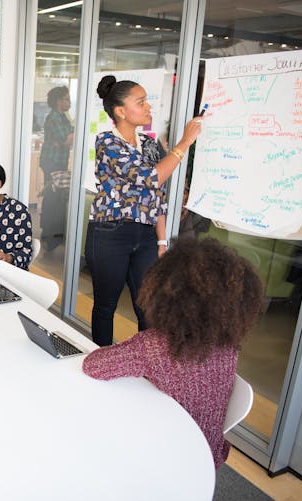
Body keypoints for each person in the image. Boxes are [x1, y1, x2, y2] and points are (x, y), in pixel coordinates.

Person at [82, 237, 263, 469]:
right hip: (208, 456)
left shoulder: (154, 345)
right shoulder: (228, 347)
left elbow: (93, 365)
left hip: (165, 459)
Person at [85, 75, 203, 346]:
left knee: (148, 307)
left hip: (147, 235)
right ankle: (102, 360)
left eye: (147, 101)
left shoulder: (149, 144)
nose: (148, 107)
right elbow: (151, 178)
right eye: (141, 102)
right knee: (106, 305)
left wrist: (161, 240)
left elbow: (156, 195)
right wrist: (185, 142)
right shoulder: (107, 143)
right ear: (120, 111)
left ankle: (147, 365)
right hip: (110, 232)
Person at [39, 86, 74, 251]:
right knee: (52, 196)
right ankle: (50, 233)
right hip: (52, 161)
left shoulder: (63, 117)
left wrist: (67, 138)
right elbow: (67, 139)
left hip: (58, 160)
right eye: (67, 99)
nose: (69, 102)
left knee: (53, 196)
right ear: (59, 101)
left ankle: (50, 233)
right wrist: (67, 138)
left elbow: (68, 138)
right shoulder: (54, 118)